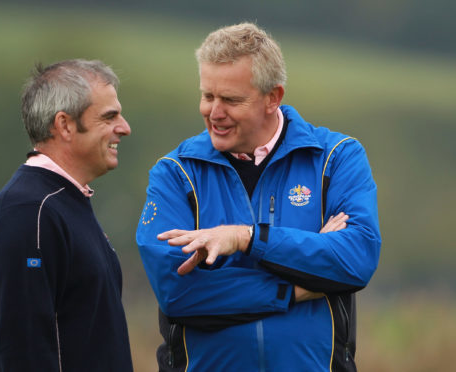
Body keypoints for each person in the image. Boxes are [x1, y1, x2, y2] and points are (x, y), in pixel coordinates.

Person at [136, 23, 380, 372]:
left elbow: (356, 260)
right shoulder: (175, 172)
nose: (214, 112)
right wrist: (297, 286)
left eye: (231, 100)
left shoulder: (337, 157)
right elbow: (177, 294)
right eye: (208, 96)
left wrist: (248, 239)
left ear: (273, 98)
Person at [0, 59, 133, 371]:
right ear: (64, 125)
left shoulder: (60, 202)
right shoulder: (28, 214)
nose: (124, 128)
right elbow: (26, 353)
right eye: (109, 117)